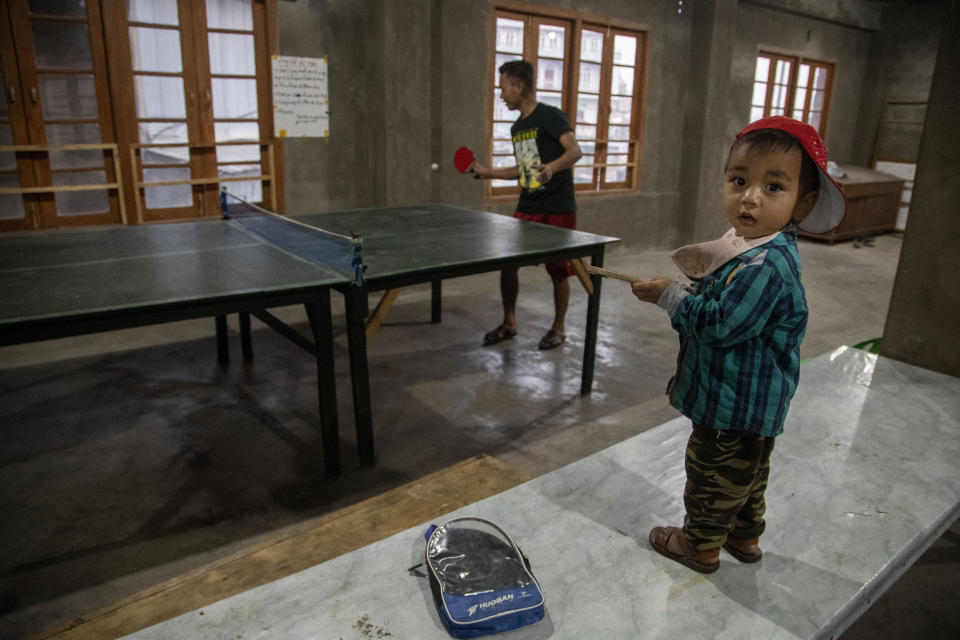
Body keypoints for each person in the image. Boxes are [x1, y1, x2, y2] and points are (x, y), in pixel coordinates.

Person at [631, 116, 847, 573]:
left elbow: (718, 325)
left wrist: (669, 296)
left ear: (803, 203)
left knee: (711, 474)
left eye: (773, 187)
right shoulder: (748, 249)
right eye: (739, 180)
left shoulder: (764, 265)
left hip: (732, 402)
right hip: (755, 404)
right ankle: (744, 537)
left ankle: (700, 546)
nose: (750, 196)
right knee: (747, 474)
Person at [468, 60, 583, 350]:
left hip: (557, 206)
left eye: (503, 88)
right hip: (528, 205)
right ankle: (509, 322)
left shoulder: (550, 116)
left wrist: (552, 168)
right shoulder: (518, 127)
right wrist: (486, 171)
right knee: (508, 265)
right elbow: (525, 170)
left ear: (519, 86)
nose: (502, 94)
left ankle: (558, 328)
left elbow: (575, 151)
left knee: (558, 270)